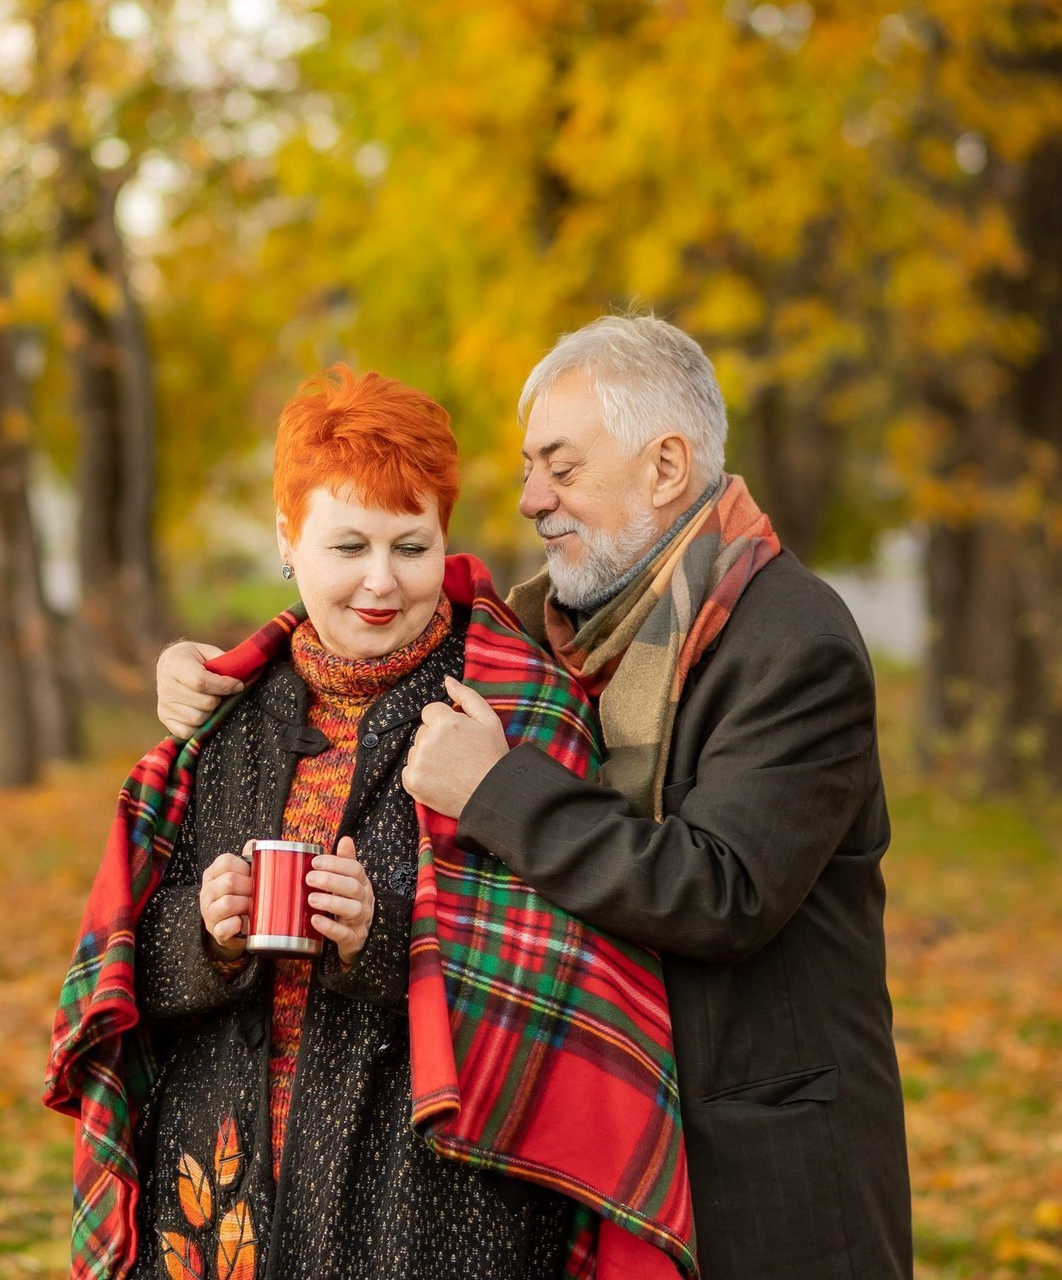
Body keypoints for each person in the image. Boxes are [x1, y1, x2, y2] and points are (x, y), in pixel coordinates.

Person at [154, 317, 913, 1280]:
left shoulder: (792, 643)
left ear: (667, 466)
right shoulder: (554, 632)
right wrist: (204, 671)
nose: (530, 500)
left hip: (757, 1157)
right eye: (525, 469)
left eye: (560, 467)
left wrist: (493, 786)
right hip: (594, 1140)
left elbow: (724, 892)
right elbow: (359, 605)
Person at [46, 364, 697, 1280]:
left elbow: (564, 982)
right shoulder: (225, 719)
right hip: (219, 1199)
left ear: (446, 540)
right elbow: (122, 976)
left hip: (432, 1210)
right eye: (348, 547)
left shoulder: (512, 712)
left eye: (412, 547)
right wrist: (207, 932)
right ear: (289, 540)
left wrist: (380, 935)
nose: (381, 584)